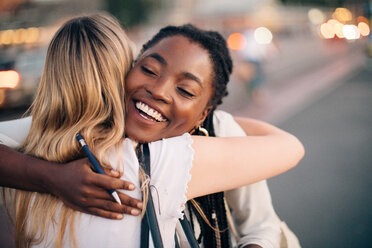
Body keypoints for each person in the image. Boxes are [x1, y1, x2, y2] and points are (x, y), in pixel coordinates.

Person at [0, 15, 303, 247]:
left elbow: (262, 225)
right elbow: (289, 147)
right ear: (127, 69)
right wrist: (53, 177)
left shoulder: (218, 131)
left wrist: (47, 177)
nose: (159, 90)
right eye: (148, 70)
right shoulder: (145, 161)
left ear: (204, 114)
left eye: (185, 90)